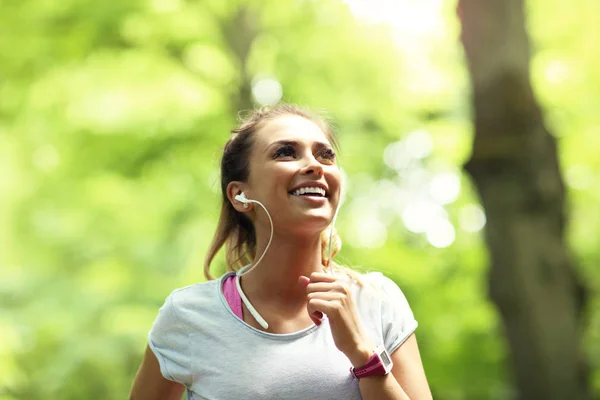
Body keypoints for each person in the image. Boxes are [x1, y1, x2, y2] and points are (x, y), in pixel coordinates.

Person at [130, 104, 432, 400]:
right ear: (240, 194)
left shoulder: (377, 300)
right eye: (285, 152)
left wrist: (363, 355)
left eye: (325, 155)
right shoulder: (188, 316)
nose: (315, 165)